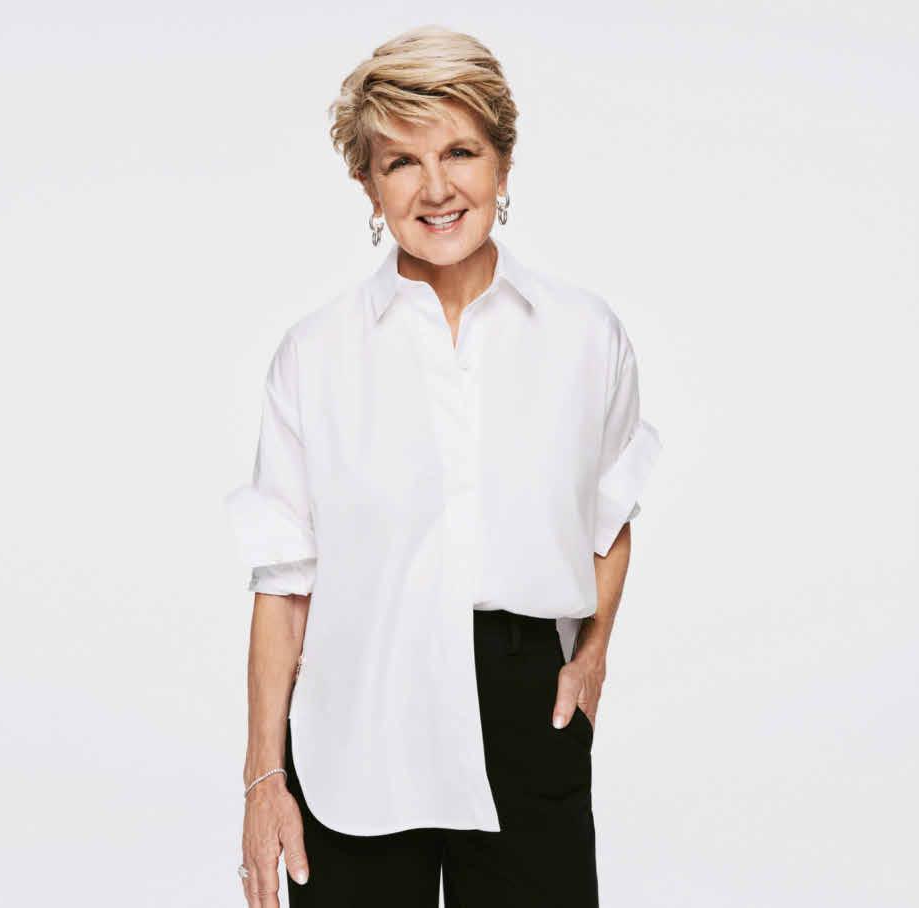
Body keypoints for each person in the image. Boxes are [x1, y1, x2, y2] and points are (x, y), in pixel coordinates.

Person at [225, 25, 662, 908]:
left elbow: (610, 516)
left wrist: (591, 659)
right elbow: (284, 581)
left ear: (502, 163)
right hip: (358, 720)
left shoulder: (583, 336)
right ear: (367, 183)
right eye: (401, 162)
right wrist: (262, 777)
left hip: (523, 710)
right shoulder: (315, 356)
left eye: (460, 152)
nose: (435, 189)